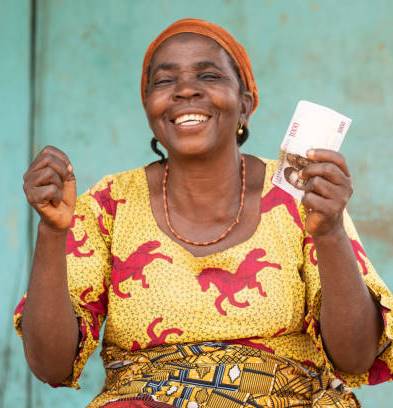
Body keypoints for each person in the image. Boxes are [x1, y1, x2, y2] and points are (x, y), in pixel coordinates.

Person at [14, 18, 393, 408]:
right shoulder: (108, 204)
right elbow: (50, 366)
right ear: (148, 107)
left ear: (245, 103)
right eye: (164, 81)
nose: (185, 90)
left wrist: (329, 232)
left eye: (208, 75)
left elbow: (355, 357)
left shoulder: (300, 197)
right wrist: (51, 232)